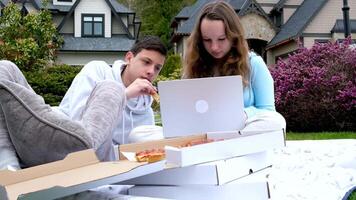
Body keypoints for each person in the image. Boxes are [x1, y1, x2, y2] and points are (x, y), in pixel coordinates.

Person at [183, 1, 285, 132]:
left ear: (234, 36)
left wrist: (242, 114)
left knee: (277, 121)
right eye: (207, 40)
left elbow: (268, 112)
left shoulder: (254, 63)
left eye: (221, 39)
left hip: (245, 132)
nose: (214, 47)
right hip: (204, 132)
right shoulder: (194, 65)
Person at [58, 35, 167, 147]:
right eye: (146, 62)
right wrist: (125, 95)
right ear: (129, 58)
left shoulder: (145, 110)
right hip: (66, 152)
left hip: (114, 163)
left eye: (157, 68)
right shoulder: (97, 72)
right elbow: (79, 127)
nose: (151, 72)